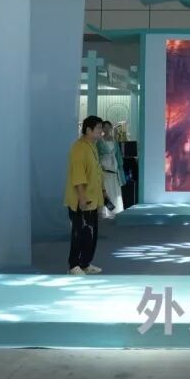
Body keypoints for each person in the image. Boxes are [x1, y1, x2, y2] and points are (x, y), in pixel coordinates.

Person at [64, 116, 106, 275]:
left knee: (91, 233)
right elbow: (78, 175)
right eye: (98, 128)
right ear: (88, 130)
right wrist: (81, 197)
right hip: (81, 199)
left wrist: (103, 191)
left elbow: (97, 172)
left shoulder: (92, 146)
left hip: (93, 198)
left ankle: (85, 263)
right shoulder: (79, 148)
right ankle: (73, 265)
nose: (101, 131)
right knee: (79, 232)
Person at [97, 120, 125, 219]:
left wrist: (119, 167)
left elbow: (118, 156)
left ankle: (116, 210)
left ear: (111, 128)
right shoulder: (99, 141)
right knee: (106, 189)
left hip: (114, 169)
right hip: (104, 169)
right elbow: (97, 155)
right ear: (102, 129)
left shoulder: (115, 141)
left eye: (108, 127)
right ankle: (106, 211)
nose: (106, 129)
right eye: (104, 127)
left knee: (114, 189)